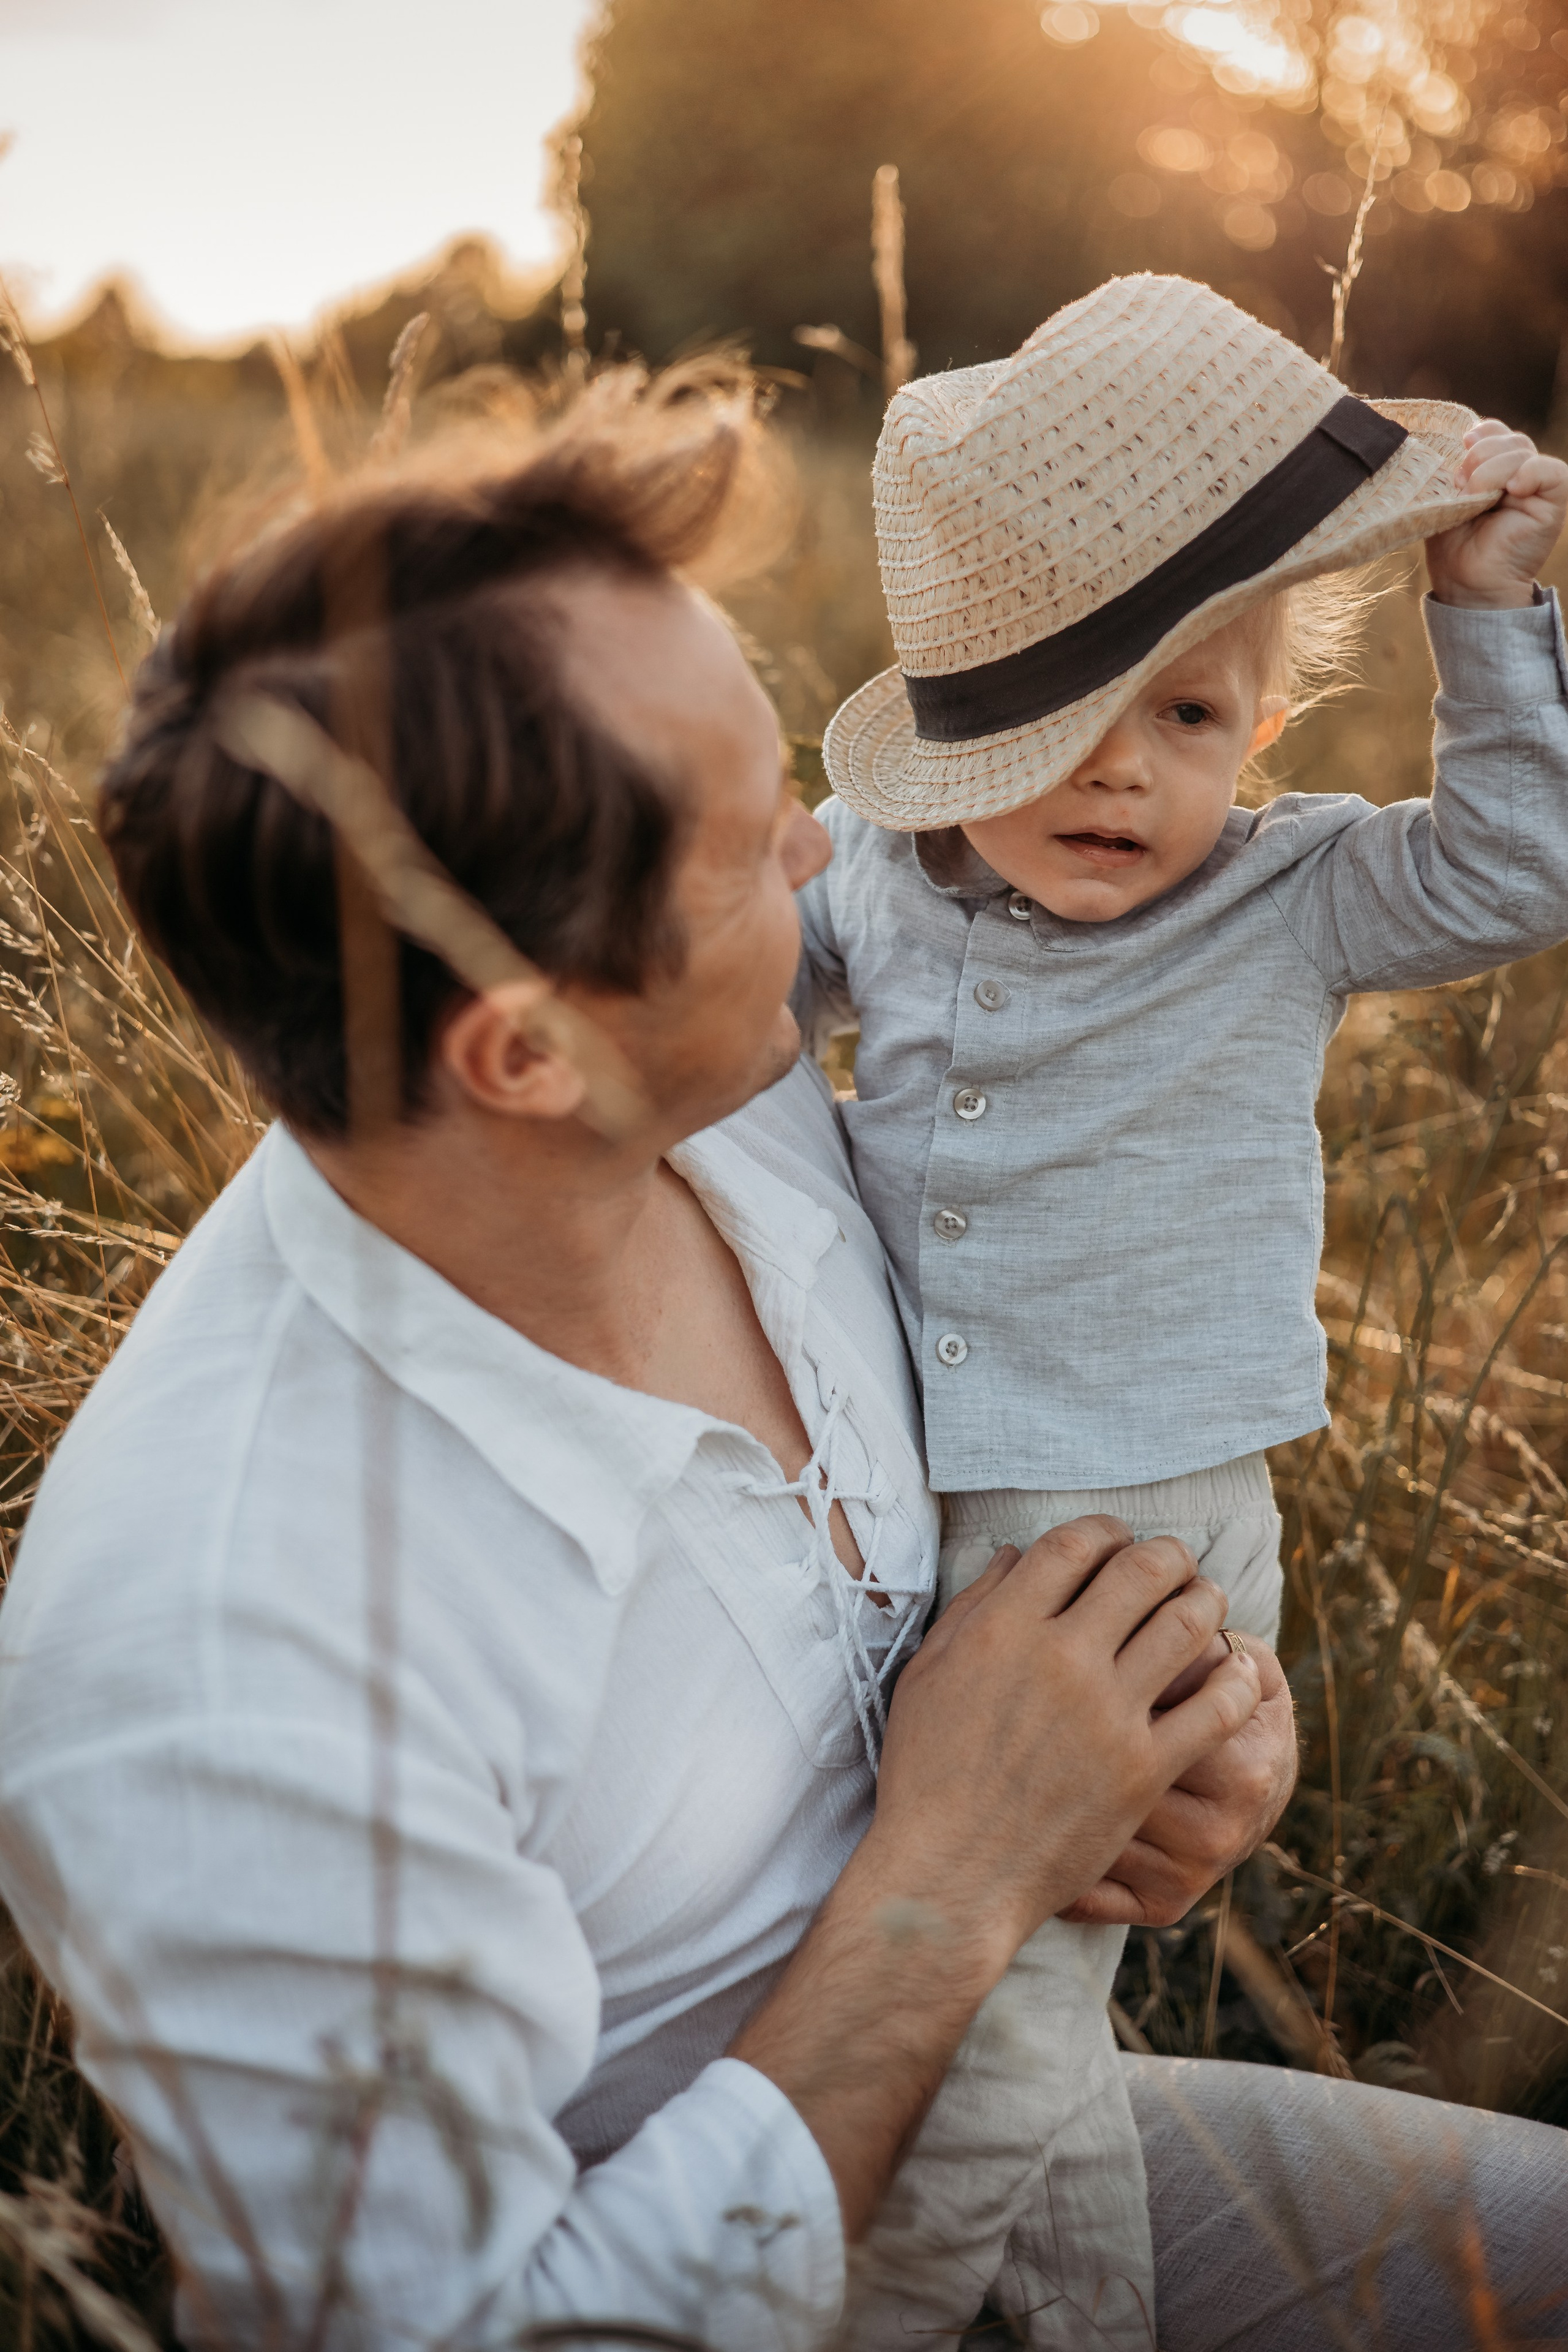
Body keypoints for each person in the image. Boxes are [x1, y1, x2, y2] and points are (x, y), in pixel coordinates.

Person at [0, 368, 1558, 2352]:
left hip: (1042, 2112)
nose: (839, 867)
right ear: (527, 1053)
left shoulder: (722, 1098)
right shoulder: (222, 1657)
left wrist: (1170, 1750)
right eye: (751, 853)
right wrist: (953, 1878)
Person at [795, 273, 1568, 2345]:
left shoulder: (1285, 890)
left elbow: (1518, 867)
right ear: (956, 721)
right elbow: (717, 1030)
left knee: (1002, 2033)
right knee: (968, 2011)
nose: (1134, 773)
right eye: (1075, 715)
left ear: (1268, 733)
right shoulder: (869, 878)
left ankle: (901, 2315)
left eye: (1199, 714)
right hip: (924, 1542)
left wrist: (1483, 618)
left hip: (1126, 1537)